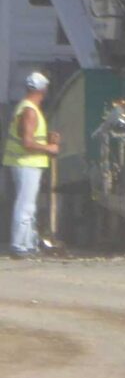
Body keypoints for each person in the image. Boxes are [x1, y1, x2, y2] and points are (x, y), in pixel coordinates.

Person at [5, 71, 60, 258]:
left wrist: (47, 139)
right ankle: (19, 245)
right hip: (26, 163)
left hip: (26, 163)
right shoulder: (30, 110)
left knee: (29, 206)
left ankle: (28, 244)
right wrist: (49, 148)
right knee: (25, 206)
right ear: (42, 90)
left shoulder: (27, 108)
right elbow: (27, 143)